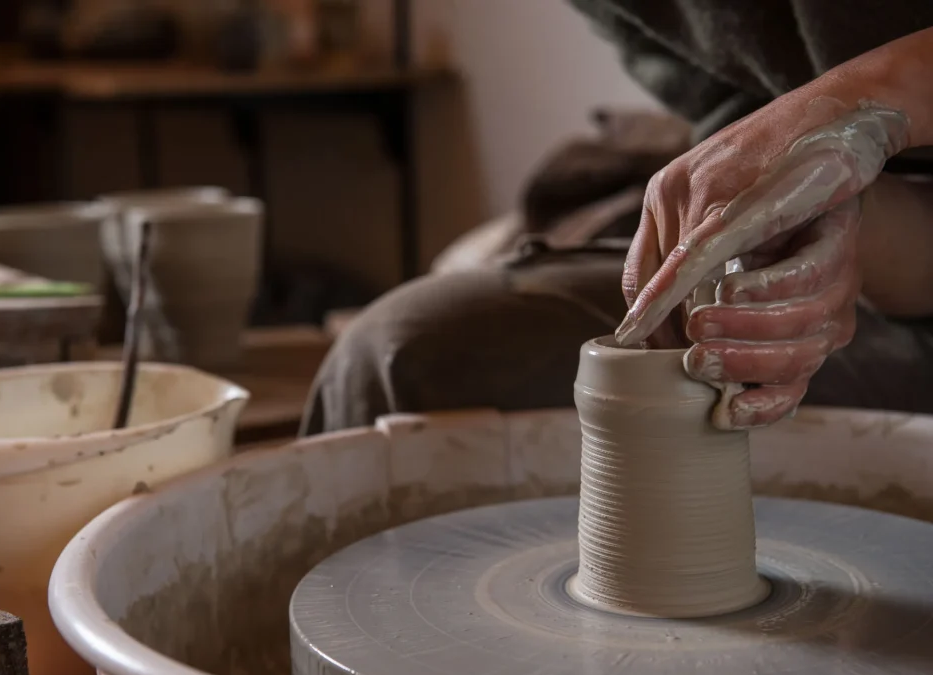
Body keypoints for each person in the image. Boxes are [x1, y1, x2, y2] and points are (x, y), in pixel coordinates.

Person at [300, 2, 933, 436]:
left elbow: (826, 120)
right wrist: (826, 225)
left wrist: (870, 100)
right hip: (908, 298)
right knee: (398, 359)